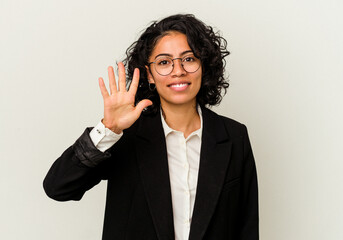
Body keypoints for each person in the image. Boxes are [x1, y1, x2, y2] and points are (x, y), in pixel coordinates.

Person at [43, 14, 259, 240]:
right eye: (164, 62)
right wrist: (108, 129)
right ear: (149, 74)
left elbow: (247, 227)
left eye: (189, 59)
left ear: (203, 65)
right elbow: (58, 187)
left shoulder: (234, 136)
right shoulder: (124, 136)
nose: (178, 70)